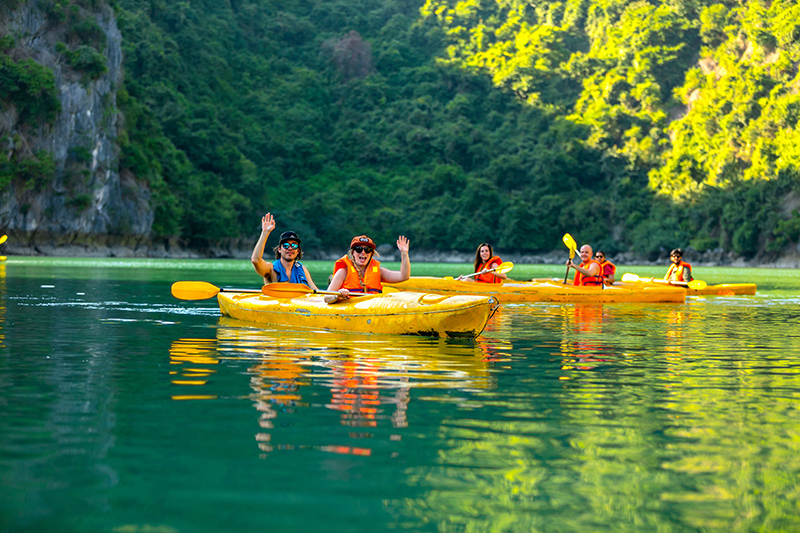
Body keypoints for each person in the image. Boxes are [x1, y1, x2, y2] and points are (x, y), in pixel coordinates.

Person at [250, 212, 319, 289]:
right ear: (279, 249)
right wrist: (265, 233)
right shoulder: (271, 269)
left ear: (298, 250)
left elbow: (315, 291)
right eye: (286, 245)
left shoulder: (302, 269)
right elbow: (255, 261)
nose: (290, 248)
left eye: (294, 245)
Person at [328, 234, 410, 298]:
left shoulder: (380, 272)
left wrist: (404, 254)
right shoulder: (343, 272)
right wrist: (338, 295)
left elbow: (404, 276)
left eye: (367, 250)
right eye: (359, 249)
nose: (363, 252)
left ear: (371, 254)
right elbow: (327, 297)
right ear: (353, 253)